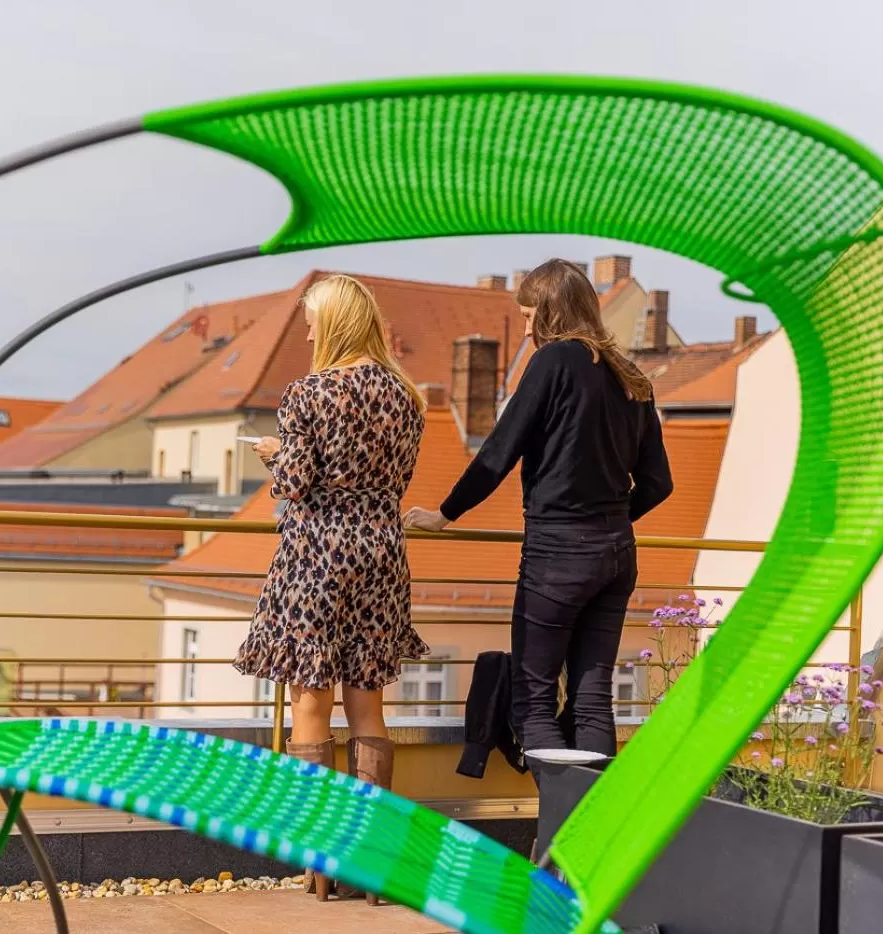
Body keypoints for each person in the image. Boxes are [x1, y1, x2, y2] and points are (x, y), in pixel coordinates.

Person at [404, 259, 673, 764]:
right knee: (593, 701)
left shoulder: (553, 363)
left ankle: (554, 832)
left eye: (529, 316)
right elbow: (660, 484)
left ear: (551, 313)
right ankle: (589, 834)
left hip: (557, 554)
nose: (526, 329)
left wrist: (446, 514)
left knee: (535, 700)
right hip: (616, 555)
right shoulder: (631, 375)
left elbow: (498, 452)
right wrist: (609, 521)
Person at [234, 273, 429, 903]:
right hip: (380, 552)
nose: (309, 328)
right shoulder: (405, 396)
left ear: (336, 323)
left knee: (309, 702)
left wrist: (273, 449)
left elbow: (294, 482)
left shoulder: (309, 392)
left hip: (318, 551)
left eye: (314, 318)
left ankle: (321, 858)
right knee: (367, 702)